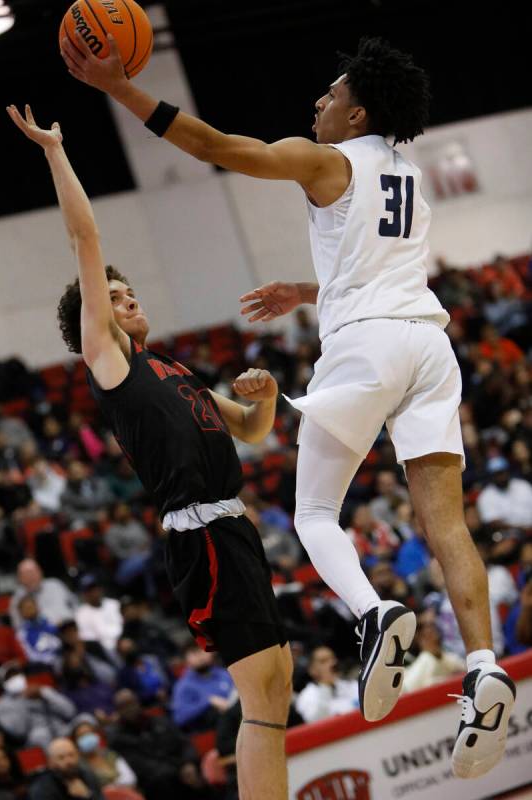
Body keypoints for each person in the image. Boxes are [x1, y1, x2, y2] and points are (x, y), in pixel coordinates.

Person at [57, 32, 514, 779]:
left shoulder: (325, 158)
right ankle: (483, 665)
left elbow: (214, 144)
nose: (318, 103)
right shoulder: (409, 174)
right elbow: (384, 266)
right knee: (447, 521)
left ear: (358, 112)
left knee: (312, 516)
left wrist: (119, 87)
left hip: (369, 345)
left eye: (331, 95)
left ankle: (375, 616)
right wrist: (309, 292)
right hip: (430, 347)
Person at [8, 104, 292, 800]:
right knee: (261, 696)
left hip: (236, 525)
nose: (128, 299)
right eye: (114, 296)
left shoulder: (174, 370)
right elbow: (85, 233)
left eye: (131, 293)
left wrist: (266, 389)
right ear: (92, 324)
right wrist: (54, 151)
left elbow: (255, 432)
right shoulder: (110, 365)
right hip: (202, 534)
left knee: (278, 684)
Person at [0, 663, 75, 749]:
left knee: (84, 720)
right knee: (42, 736)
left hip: (59, 727)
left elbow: (70, 711)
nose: (15, 679)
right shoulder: (2, 705)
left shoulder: (39, 689)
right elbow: (20, 731)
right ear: (2, 683)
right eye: (9, 678)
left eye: (16, 675)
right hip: (36, 736)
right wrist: (22, 700)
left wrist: (44, 694)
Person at [171, 642, 235, 733]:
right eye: (194, 652)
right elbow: (180, 718)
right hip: (211, 733)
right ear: (185, 660)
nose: (200, 655)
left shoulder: (224, 673)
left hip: (239, 724)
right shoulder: (183, 686)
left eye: (202, 650)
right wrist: (208, 702)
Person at [69, 713, 137, 791]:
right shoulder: (79, 766)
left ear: (96, 734)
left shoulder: (109, 754)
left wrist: (114, 788)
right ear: (75, 741)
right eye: (82, 735)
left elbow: (130, 778)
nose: (87, 737)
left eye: (89, 733)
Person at [295, 645, 358, 723]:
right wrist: (325, 685)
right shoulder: (306, 696)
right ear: (312, 670)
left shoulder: (351, 685)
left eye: (332, 658)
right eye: (324, 661)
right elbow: (314, 721)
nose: (332, 663)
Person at [28, 737, 103, 800]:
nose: (68, 761)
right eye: (61, 758)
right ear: (50, 762)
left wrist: (87, 795)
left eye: (71, 755)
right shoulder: (42, 788)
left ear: (78, 755)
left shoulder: (88, 776)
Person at [10, 560, 77, 629]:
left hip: (72, 627)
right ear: (20, 578)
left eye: (32, 572)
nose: (31, 577)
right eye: (26, 574)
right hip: (45, 634)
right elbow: (18, 626)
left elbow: (75, 604)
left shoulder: (55, 584)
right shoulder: (18, 598)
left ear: (40, 572)